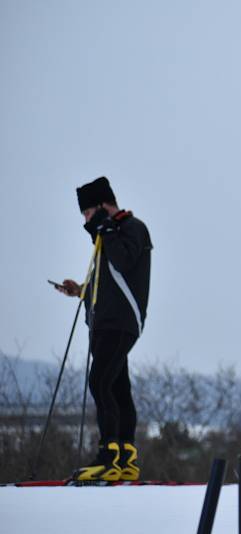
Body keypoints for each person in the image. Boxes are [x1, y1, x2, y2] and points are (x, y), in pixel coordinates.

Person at [56, 176, 152, 481]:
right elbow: (109, 285)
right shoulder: (109, 234)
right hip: (106, 322)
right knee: (117, 387)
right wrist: (80, 291)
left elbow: (124, 263)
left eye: (87, 213)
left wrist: (106, 228)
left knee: (99, 381)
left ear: (101, 206)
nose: (86, 220)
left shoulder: (132, 228)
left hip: (121, 323)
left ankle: (108, 455)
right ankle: (126, 457)